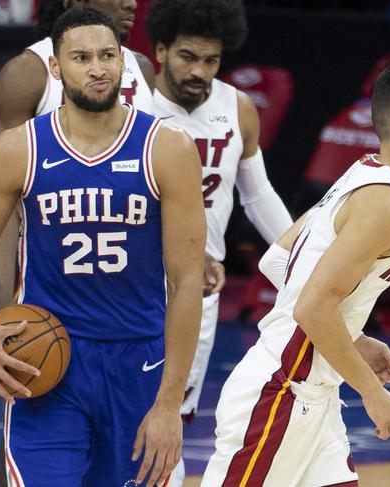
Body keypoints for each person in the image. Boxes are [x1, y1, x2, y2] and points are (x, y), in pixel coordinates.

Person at [0, 7, 206, 487]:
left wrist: (170, 404)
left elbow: (188, 281)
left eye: (109, 55)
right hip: (47, 358)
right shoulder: (19, 149)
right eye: (82, 57)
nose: (98, 68)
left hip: (139, 362)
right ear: (55, 67)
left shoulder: (167, 149)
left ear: (124, 62)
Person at [202, 56, 390, 486]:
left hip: (312, 399)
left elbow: (278, 260)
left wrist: (350, 336)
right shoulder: (384, 203)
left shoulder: (362, 172)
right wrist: (373, 393)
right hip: (283, 394)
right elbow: (311, 305)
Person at [144, 1, 293, 484]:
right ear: (161, 50)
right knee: (129, 409)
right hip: (135, 279)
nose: (199, 71)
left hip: (197, 290)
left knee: (175, 414)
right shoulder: (133, 107)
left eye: (211, 61)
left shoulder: (237, 107)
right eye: (188, 57)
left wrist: (301, 254)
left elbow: (258, 194)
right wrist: (180, 248)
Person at [0, 0, 155, 317]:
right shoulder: (27, 72)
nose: (130, 3)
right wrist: (2, 301)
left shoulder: (142, 68)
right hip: (50, 285)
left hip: (132, 291)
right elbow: (0, 203)